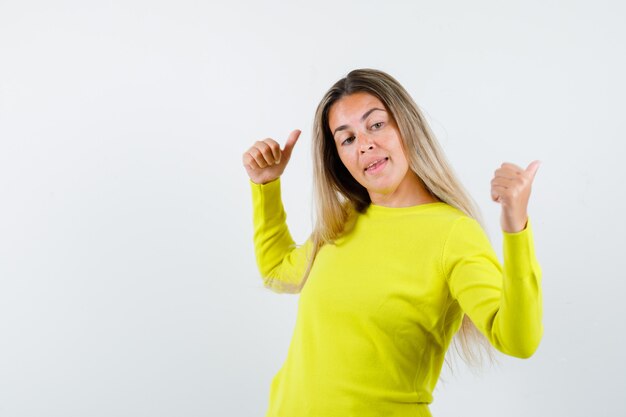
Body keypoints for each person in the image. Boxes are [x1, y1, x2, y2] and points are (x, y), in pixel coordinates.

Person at [242, 68, 543, 417]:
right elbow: (278, 271)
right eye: (347, 139)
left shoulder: (452, 233)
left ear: (406, 126)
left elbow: (519, 341)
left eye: (376, 124)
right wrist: (266, 186)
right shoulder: (343, 219)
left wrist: (515, 228)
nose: (366, 144)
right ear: (338, 157)